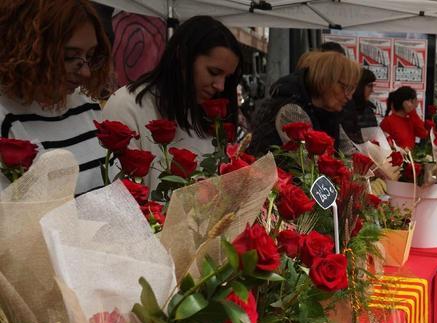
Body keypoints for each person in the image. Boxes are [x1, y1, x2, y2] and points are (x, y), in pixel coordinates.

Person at [103, 16, 242, 190]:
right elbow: (115, 193)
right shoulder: (126, 106)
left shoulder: (207, 114)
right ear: (182, 56)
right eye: (213, 72)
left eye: (226, 78)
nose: (220, 86)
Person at [0, 0, 113, 194]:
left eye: (91, 56)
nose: (86, 72)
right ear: (26, 49)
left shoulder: (85, 104)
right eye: (70, 57)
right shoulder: (4, 116)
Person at [249, 51, 360, 156]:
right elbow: (309, 164)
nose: (349, 97)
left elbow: (348, 151)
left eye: (352, 90)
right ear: (326, 81)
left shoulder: (327, 113)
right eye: (346, 88)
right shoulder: (291, 111)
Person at [340, 69, 378, 144]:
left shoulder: (369, 109)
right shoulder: (344, 108)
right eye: (369, 86)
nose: (372, 90)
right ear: (359, 86)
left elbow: (374, 136)